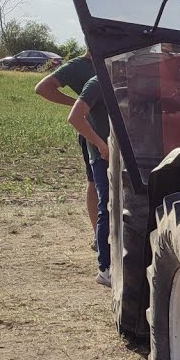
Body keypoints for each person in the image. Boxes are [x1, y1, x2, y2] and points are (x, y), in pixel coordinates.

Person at [35, 52, 97, 236]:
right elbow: (43, 88)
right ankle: (98, 235)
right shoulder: (77, 66)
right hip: (92, 133)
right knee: (94, 181)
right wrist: (78, 104)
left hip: (124, 133)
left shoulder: (118, 59)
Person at [65, 76, 112, 287]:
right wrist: (101, 146)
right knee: (107, 207)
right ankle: (105, 268)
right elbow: (75, 117)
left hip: (129, 155)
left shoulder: (132, 76)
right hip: (103, 157)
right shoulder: (97, 82)